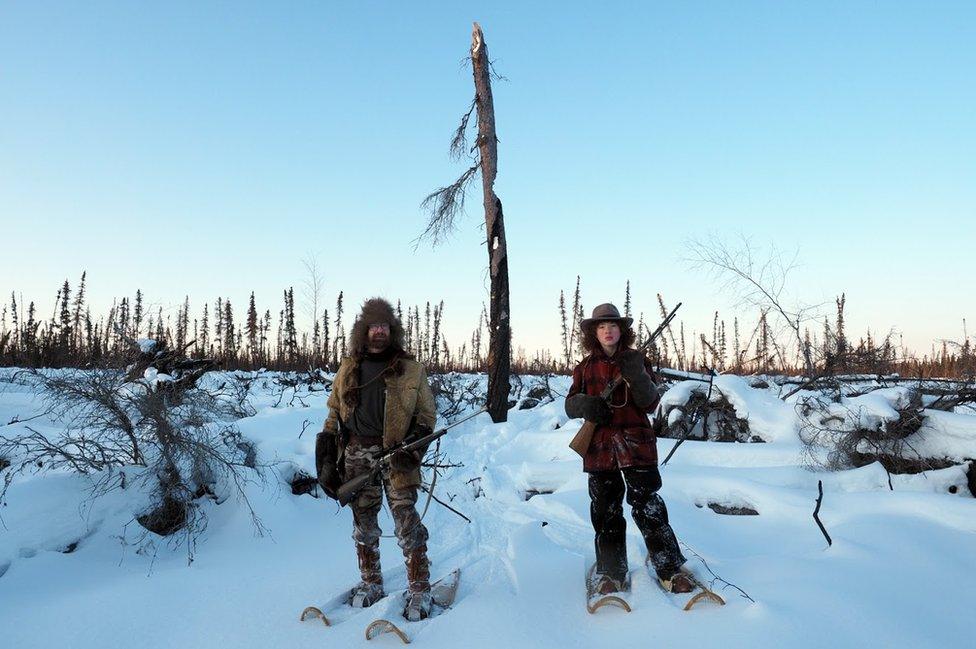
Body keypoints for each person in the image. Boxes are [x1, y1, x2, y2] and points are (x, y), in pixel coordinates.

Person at [316, 297, 438, 621]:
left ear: (392, 330)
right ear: (364, 330)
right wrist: (327, 455)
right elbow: (333, 413)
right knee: (363, 522)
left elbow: (426, 415)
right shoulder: (348, 367)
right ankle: (371, 583)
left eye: (384, 325)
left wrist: (413, 445)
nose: (379, 331)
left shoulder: (410, 368)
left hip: (397, 456)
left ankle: (420, 588)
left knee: (406, 521)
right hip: (356, 455)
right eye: (373, 326)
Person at [564, 303, 694, 595]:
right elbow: (570, 403)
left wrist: (636, 374)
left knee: (649, 509)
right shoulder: (584, 368)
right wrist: (585, 404)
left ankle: (669, 568)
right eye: (601, 326)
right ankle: (611, 572)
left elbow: (650, 403)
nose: (608, 330)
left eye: (613, 325)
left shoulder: (637, 361)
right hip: (599, 447)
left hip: (636, 447)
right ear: (593, 333)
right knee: (606, 512)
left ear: (622, 330)